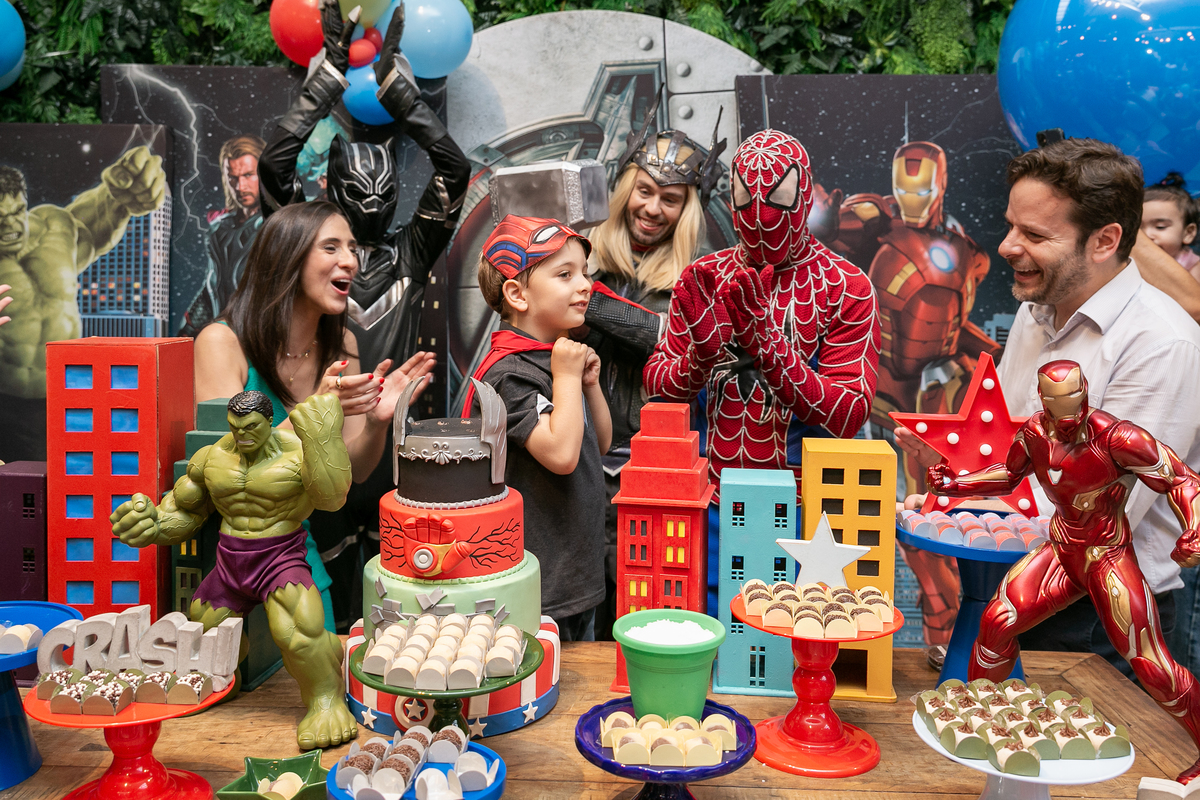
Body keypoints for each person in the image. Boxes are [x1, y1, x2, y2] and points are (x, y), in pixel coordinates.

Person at [897, 137, 1200, 679]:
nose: (1007, 246)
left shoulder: (1161, 343)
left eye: (1035, 235)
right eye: (1011, 226)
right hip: (1019, 586)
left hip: (1098, 617)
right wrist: (953, 468)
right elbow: (1011, 451)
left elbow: (1098, 518)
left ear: (1105, 240)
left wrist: (959, 515)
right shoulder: (1035, 312)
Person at [927, 359, 1200, 785]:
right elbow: (1009, 475)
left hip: (1106, 556)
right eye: (1056, 403)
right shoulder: (1035, 433)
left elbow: (1183, 480)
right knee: (996, 623)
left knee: (1151, 665)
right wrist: (956, 485)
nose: (1066, 415)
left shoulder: (1118, 438)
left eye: (1073, 399)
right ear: (1043, 400)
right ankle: (988, 730)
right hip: (1061, 550)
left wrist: (1194, 528)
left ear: (1086, 391)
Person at [644, 129, 881, 610]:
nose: (759, 216)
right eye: (744, 199)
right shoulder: (704, 277)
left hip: (806, 514)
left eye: (777, 198)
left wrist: (770, 349)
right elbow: (656, 385)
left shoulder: (845, 286)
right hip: (707, 501)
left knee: (794, 634)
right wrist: (699, 361)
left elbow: (850, 412)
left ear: (804, 195)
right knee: (705, 634)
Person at [192, 201, 435, 629]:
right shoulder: (221, 342)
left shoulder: (342, 345)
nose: (351, 261)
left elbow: (353, 473)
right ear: (287, 256)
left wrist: (378, 422)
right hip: (231, 566)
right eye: (331, 247)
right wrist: (311, 416)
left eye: (352, 248)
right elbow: (226, 473)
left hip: (296, 558)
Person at [111, 390, 358, 751]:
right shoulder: (212, 458)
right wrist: (154, 526)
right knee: (203, 630)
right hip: (230, 561)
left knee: (298, 631)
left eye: (251, 427)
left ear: (269, 422)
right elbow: (187, 511)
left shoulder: (297, 454)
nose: (242, 435)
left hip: (279, 557)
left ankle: (326, 700)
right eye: (235, 427)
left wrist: (324, 439)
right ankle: (225, 683)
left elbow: (331, 499)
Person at [258, 0, 470, 374]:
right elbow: (274, 166)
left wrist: (399, 93)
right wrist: (327, 79)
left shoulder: (409, 252)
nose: (372, 204)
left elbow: (455, 171)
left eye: (384, 194)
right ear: (335, 188)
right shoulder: (306, 246)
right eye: (358, 192)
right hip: (315, 406)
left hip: (392, 408)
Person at [584, 102, 722, 633]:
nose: (653, 208)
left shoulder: (701, 278)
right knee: (579, 610)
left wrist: (582, 299)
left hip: (653, 472)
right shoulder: (584, 258)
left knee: (649, 609)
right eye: (645, 191)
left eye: (670, 198)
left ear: (687, 210)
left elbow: (674, 340)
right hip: (577, 463)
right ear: (626, 190)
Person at [468, 215, 612, 641]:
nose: (584, 285)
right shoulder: (508, 374)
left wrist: (588, 385)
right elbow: (562, 456)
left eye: (584, 273)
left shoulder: (554, 358)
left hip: (576, 575)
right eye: (565, 275)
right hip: (538, 584)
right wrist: (566, 377)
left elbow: (599, 445)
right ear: (517, 294)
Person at [0, 149, 166, 462]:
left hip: (69, 397)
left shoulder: (53, 227)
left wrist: (122, 189)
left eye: (17, 211)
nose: (11, 225)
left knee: (80, 482)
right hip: (6, 403)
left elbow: (102, 214)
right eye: (0, 218)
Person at [179, 134, 266, 337]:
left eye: (248, 175)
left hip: (263, 336)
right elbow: (212, 287)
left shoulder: (278, 226)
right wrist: (186, 334)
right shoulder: (220, 229)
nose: (240, 187)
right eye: (232, 177)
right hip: (224, 336)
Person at [1142, 173, 1199, 277]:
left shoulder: (1192, 264)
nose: (1146, 235)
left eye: (1160, 227)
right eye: (1138, 229)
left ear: (1188, 233)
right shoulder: (1130, 259)